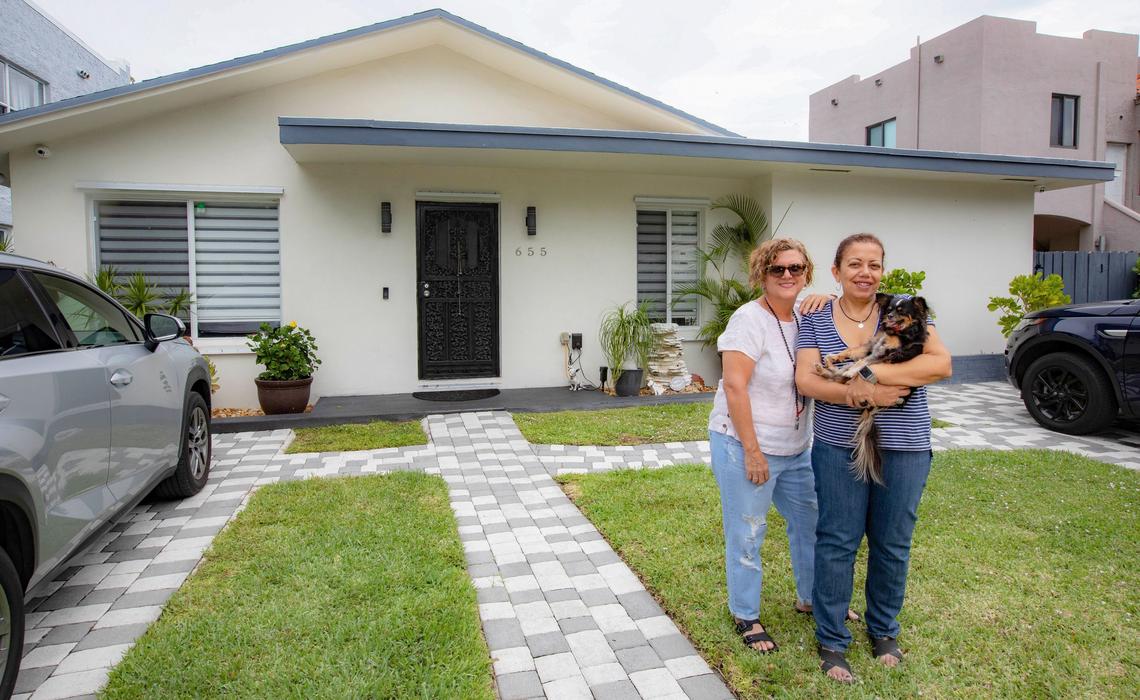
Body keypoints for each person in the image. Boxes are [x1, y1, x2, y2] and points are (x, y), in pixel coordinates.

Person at [794, 233, 952, 683]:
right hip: (839, 443)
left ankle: (884, 630)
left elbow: (939, 365)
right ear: (836, 270)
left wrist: (868, 371)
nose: (865, 273)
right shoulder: (818, 315)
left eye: (874, 264)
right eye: (855, 264)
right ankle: (831, 639)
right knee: (837, 541)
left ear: (883, 270)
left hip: (904, 445)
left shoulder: (904, 309)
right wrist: (860, 394)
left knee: (892, 543)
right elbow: (807, 380)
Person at [708, 237, 834, 653]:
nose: (786, 276)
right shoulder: (749, 320)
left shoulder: (807, 315)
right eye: (777, 269)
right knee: (748, 531)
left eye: (795, 269)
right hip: (744, 443)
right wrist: (753, 451)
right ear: (762, 274)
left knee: (810, 523)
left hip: (797, 447)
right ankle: (746, 614)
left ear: (806, 273)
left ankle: (812, 598)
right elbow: (734, 386)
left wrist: (825, 298)